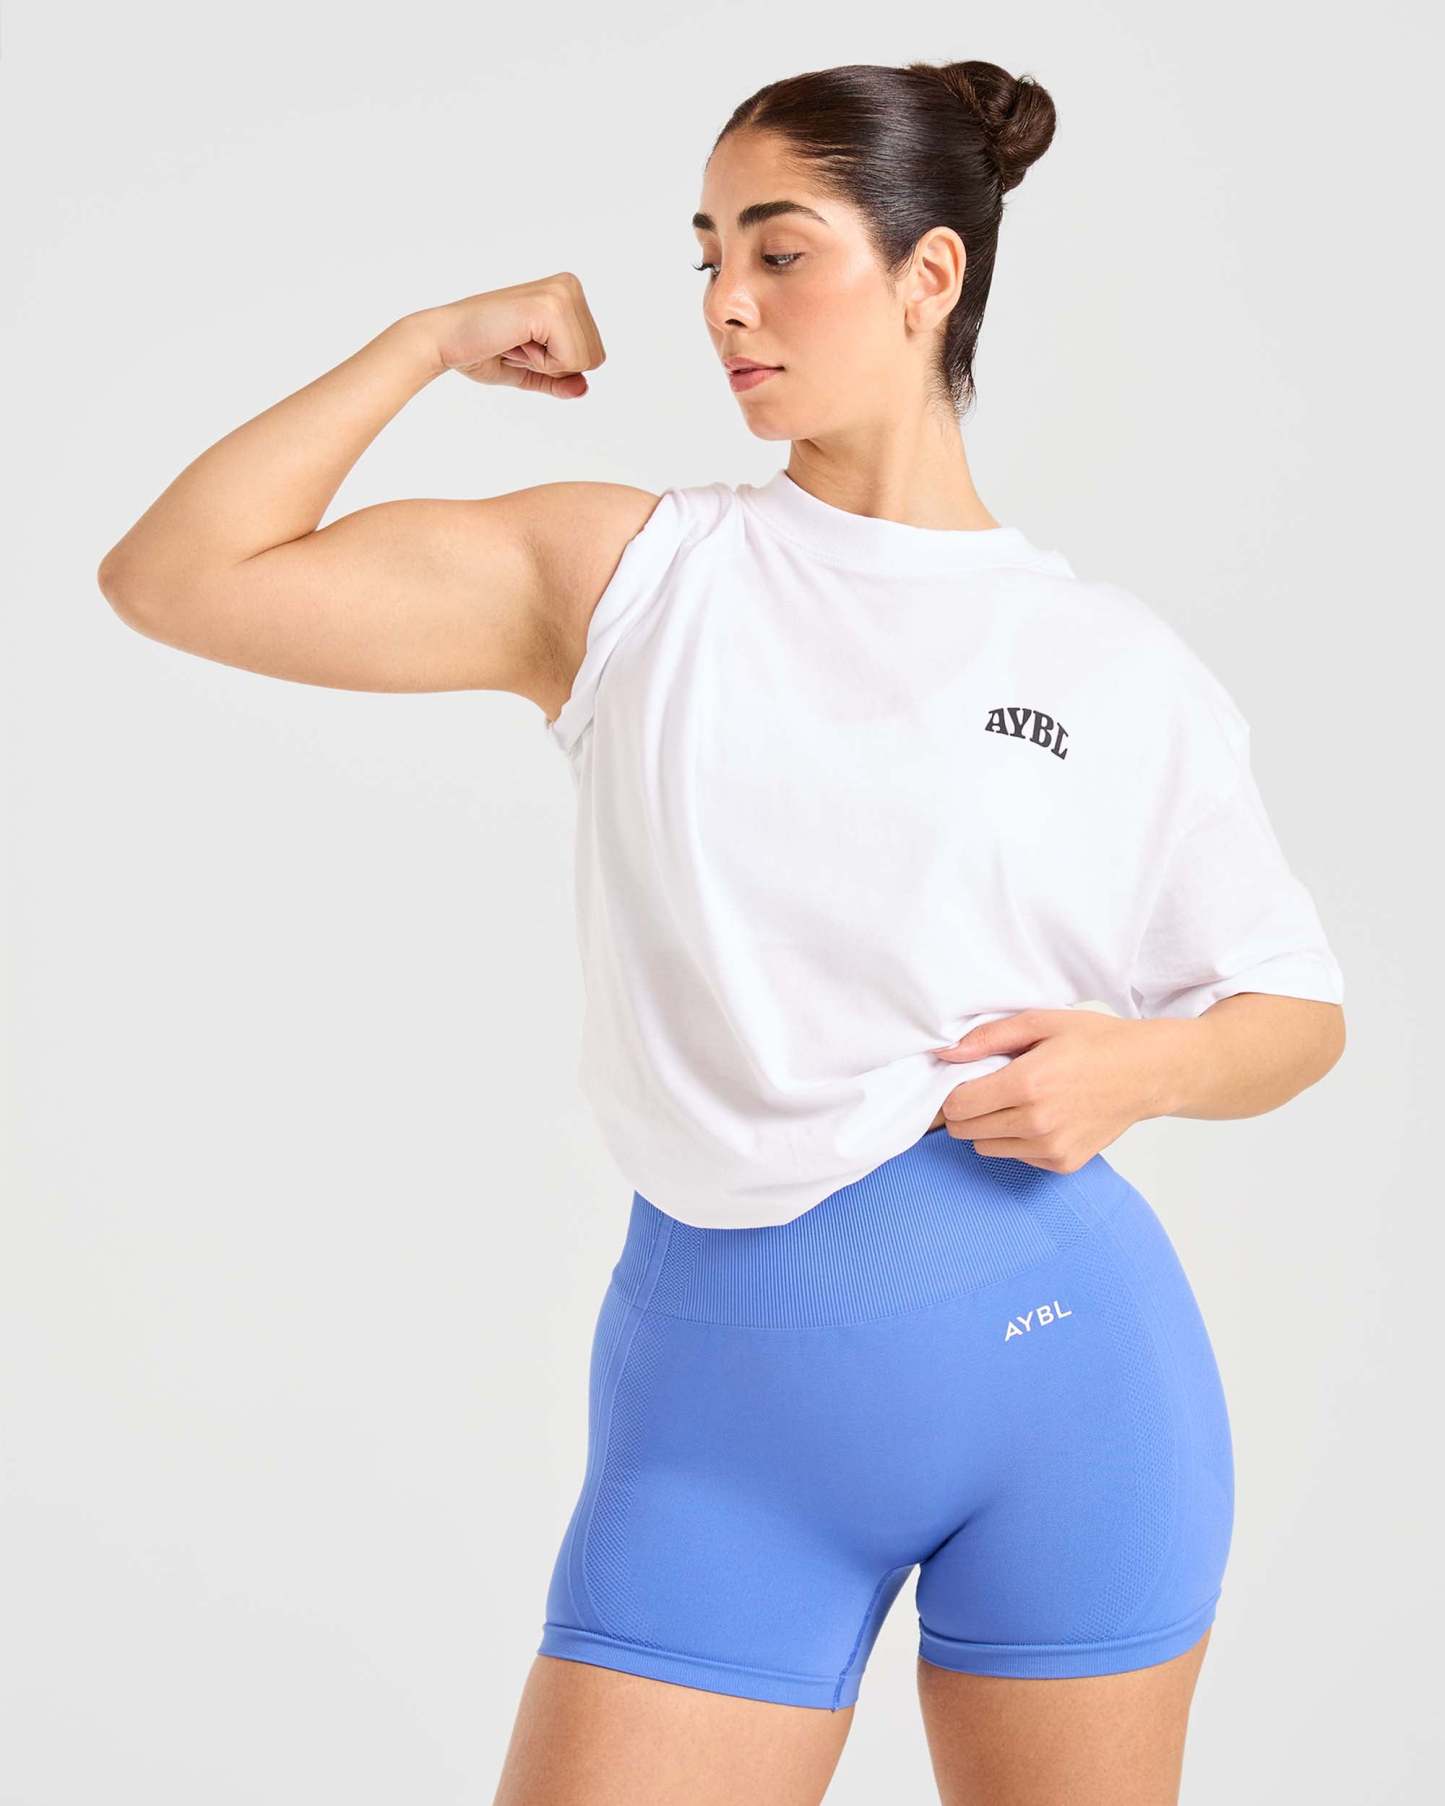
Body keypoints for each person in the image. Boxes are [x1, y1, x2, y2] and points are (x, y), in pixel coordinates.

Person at [97, 56, 1346, 1806]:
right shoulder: (631, 579)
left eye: (779, 251)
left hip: (1071, 1383)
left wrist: (1145, 1067)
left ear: (928, 274)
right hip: (721, 1428)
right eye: (705, 257)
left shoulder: (1111, 664)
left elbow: (1292, 1007)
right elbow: (176, 577)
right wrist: (425, 342)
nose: (723, 304)